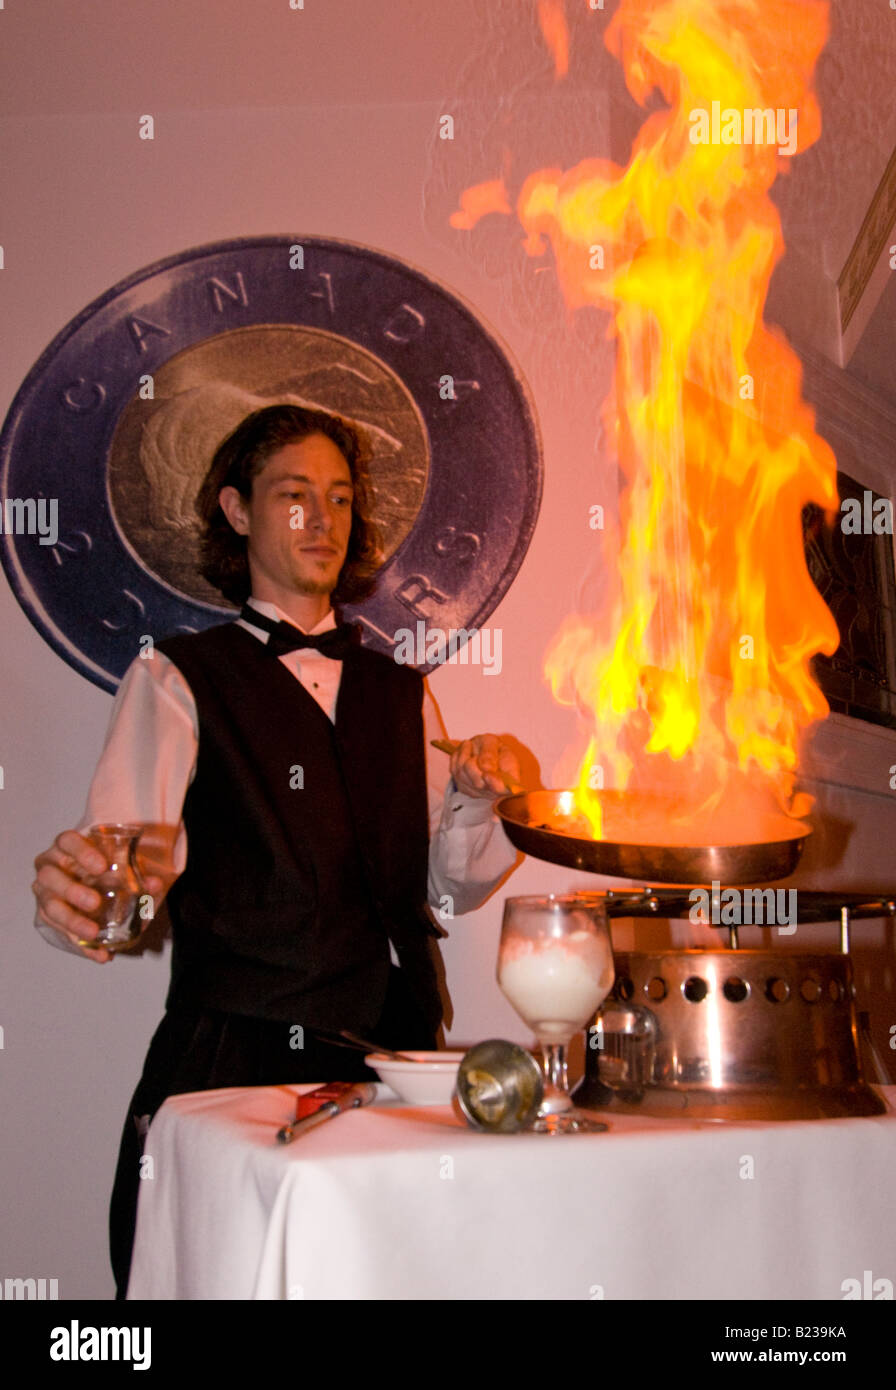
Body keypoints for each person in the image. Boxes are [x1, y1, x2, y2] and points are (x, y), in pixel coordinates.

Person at [31, 403, 522, 1297]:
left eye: (338, 498)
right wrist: (89, 902)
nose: (322, 520)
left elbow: (446, 889)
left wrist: (477, 799)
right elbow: (124, 868)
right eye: (294, 495)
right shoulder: (176, 676)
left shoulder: (401, 695)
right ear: (236, 509)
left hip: (399, 1062)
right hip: (236, 1059)